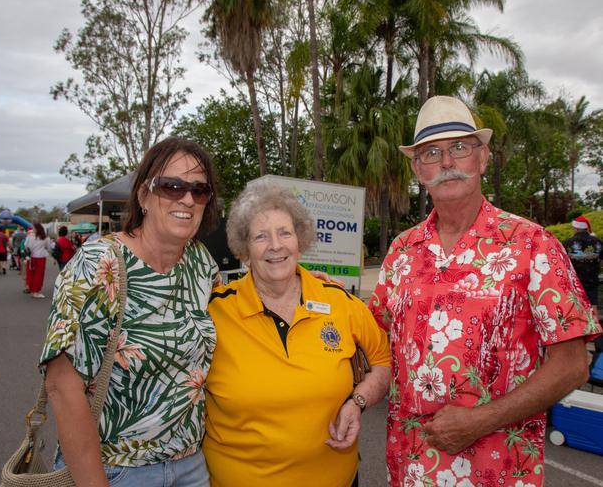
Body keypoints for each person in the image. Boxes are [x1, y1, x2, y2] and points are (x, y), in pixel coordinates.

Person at [369, 95, 602, 486]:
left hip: (498, 473)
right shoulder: (402, 250)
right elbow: (375, 339)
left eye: (459, 148)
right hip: (410, 467)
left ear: (482, 157)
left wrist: (480, 421)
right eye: (431, 153)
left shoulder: (533, 244)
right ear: (417, 168)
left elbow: (573, 364)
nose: (446, 163)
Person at [40, 137, 219, 486]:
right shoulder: (99, 263)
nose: (186, 198)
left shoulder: (201, 263)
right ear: (143, 196)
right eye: (171, 186)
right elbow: (62, 385)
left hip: (191, 465)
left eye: (199, 190)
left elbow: (239, 302)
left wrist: (300, 283)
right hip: (114, 470)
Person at [203, 181, 392, 487]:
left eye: (285, 233)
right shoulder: (216, 311)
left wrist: (357, 401)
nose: (275, 245)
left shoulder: (340, 302)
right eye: (260, 236)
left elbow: (384, 361)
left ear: (300, 240)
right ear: (244, 248)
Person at [563, 215, 603, 320]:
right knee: (593, 306)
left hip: (575, 282)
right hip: (592, 280)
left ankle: (581, 332)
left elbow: (563, 263)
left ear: (576, 228)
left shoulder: (568, 243)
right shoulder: (598, 242)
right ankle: (596, 333)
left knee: (576, 307)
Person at [25, 222, 53, 298]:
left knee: (31, 274)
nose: (32, 229)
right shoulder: (45, 237)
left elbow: (26, 246)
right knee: (39, 275)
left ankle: (32, 289)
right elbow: (49, 248)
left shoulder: (29, 237)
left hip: (31, 257)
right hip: (41, 257)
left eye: (33, 228)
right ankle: (36, 291)